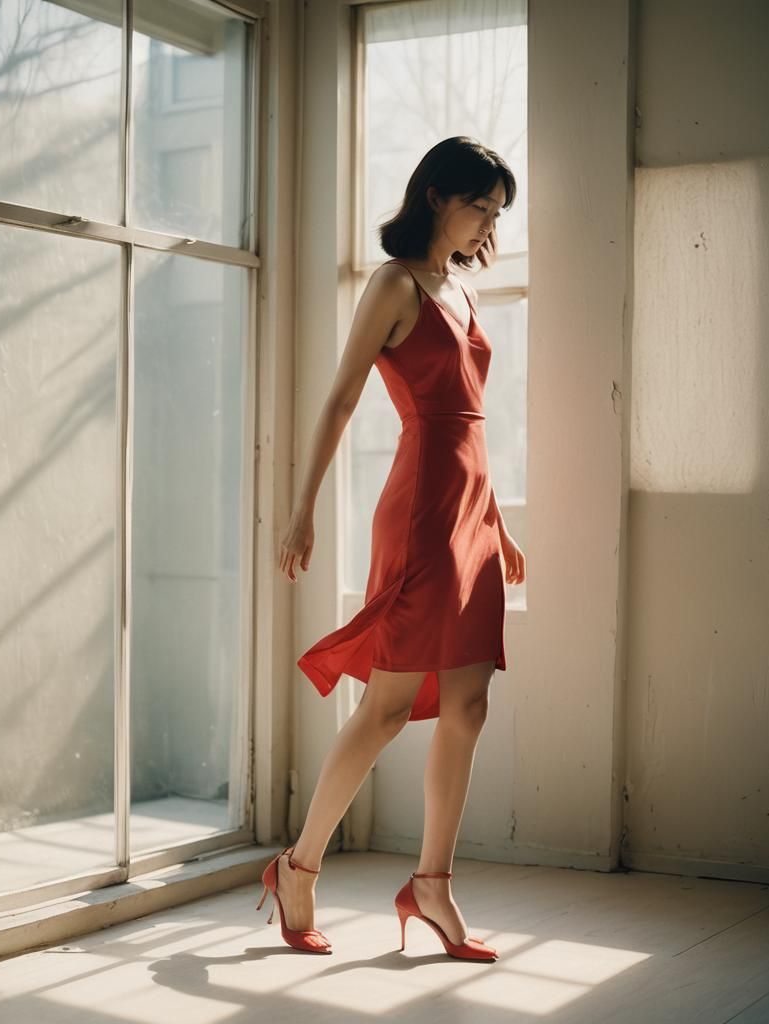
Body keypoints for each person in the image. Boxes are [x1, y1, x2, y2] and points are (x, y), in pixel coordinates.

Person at [260, 137, 526, 959]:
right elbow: (342, 396)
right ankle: (298, 868)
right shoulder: (395, 282)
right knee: (383, 708)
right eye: (478, 204)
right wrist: (302, 507)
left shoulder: (463, 290)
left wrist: (499, 524)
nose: (487, 223)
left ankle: (433, 885)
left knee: (469, 704)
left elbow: (474, 417)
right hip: (420, 513)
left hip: (472, 509)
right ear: (436, 196)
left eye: (496, 211)